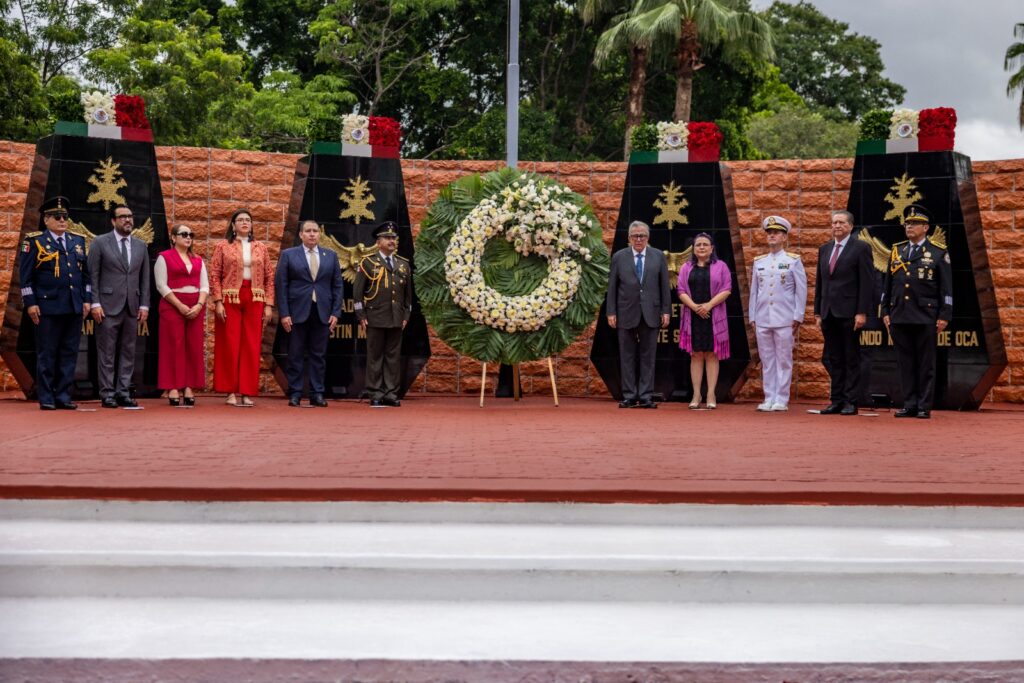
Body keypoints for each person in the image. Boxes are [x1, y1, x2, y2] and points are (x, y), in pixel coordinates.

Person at [18, 196, 91, 410]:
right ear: (46, 219)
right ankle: (47, 397)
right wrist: (30, 303)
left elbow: (85, 275)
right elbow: (25, 277)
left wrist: (87, 299)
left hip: (73, 306)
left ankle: (63, 396)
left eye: (65, 217)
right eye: (57, 217)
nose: (62, 220)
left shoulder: (77, 241)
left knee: (69, 353)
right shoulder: (35, 242)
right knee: (47, 353)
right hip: (47, 307)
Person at [881, 204, 953, 420]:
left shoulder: (937, 252)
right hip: (899, 314)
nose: (909, 226)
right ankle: (909, 403)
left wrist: (944, 315)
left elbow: (946, 288)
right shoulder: (898, 251)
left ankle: (924, 405)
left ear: (926, 227)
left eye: (914, 223)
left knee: (925, 363)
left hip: (925, 315)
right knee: (905, 363)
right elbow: (888, 284)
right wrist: (885, 311)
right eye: (907, 223)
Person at [210, 209, 275, 407]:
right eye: (240, 220)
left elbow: (269, 277)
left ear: (252, 225)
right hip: (230, 297)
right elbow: (215, 274)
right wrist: (218, 301)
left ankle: (247, 391)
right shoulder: (223, 246)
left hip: (255, 297)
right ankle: (230, 391)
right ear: (233, 225)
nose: (245, 222)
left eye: (248, 220)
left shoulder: (260, 247)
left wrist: (269, 304)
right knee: (229, 344)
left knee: (251, 345)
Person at [88, 204, 150, 408]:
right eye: (123, 216)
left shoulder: (140, 245)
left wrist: (144, 305)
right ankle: (107, 393)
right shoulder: (100, 242)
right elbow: (93, 274)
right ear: (113, 221)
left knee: (128, 351)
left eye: (130, 216)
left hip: (132, 307)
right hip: (107, 306)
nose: (128, 220)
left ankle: (123, 392)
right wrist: (95, 302)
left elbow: (144, 279)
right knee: (106, 352)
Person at [275, 220, 343, 407]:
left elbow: (337, 286)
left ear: (319, 234)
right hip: (296, 312)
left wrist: (336, 312)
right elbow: (281, 285)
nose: (312, 234)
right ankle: (295, 393)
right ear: (301, 235)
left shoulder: (331, 255)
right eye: (308, 231)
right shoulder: (289, 255)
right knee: (295, 354)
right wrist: (284, 313)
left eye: (315, 231)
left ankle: (317, 393)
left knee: (318, 355)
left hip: (322, 312)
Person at [813, 210, 873, 415]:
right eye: (834, 222)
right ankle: (836, 400)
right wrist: (818, 312)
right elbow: (820, 282)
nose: (837, 226)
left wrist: (862, 312)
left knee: (851, 358)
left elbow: (866, 282)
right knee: (834, 358)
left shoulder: (861, 248)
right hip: (828, 312)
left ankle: (850, 401)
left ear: (850, 226)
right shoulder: (825, 249)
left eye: (841, 222)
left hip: (849, 312)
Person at [606, 221, 671, 409]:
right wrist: (611, 311)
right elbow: (612, 287)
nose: (639, 239)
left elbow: (664, 286)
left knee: (648, 356)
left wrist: (666, 310)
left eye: (642, 235)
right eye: (635, 236)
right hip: (625, 312)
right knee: (626, 356)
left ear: (648, 237)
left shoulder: (658, 256)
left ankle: (645, 396)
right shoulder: (619, 257)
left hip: (651, 313)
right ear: (629, 238)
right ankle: (629, 395)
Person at [748, 216, 807, 412]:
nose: (772, 236)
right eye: (769, 233)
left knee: (783, 359)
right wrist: (752, 316)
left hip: (784, 317)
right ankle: (769, 397)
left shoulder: (793, 260)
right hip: (763, 317)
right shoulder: (759, 262)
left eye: (776, 233)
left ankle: (781, 398)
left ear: (784, 237)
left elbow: (801, 290)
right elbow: (754, 291)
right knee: (767, 360)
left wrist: (798, 315)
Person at [353, 221, 412, 407]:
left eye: (393, 238)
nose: (391, 241)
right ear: (378, 242)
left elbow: (408, 296)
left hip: (396, 318)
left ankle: (391, 393)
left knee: (393, 358)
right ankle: (375, 393)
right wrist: (361, 316)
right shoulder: (368, 262)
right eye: (387, 238)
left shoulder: (403, 264)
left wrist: (406, 316)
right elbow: (357, 293)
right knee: (375, 357)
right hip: (375, 317)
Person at [155, 224, 208, 407]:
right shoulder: (164, 257)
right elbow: (161, 285)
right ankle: (173, 387)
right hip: (173, 305)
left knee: (193, 346)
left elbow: (205, 285)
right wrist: (179, 305)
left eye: (190, 235)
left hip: (195, 305)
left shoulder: (198, 259)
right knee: (173, 345)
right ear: (173, 237)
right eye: (184, 234)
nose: (188, 237)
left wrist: (199, 305)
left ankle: (189, 386)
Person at [677, 232, 732, 409]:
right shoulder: (686, 267)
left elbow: (727, 289)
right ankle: (696, 394)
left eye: (705, 244)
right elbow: (680, 290)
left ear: (712, 248)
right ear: (693, 249)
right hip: (693, 316)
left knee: (712, 354)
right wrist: (695, 307)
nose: (701, 247)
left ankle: (710, 394)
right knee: (696, 354)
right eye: (698, 244)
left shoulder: (721, 266)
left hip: (713, 315)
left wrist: (708, 306)